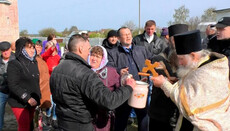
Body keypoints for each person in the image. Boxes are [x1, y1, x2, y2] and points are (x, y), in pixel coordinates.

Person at [49, 34, 136, 131]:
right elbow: (109, 101)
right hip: (81, 125)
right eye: (89, 49)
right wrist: (128, 87)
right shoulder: (85, 73)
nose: (89, 53)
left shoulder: (57, 69)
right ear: (81, 49)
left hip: (63, 123)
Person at [151, 30, 230, 130]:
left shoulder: (206, 72)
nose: (179, 63)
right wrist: (177, 83)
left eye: (181, 59)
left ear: (193, 55)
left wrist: (163, 84)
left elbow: (188, 105)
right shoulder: (204, 64)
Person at [108, 27, 152, 131]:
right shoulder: (113, 53)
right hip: (123, 91)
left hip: (140, 89)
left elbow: (151, 62)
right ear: (119, 38)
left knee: (144, 117)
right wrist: (119, 71)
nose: (128, 36)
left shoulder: (141, 50)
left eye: (129, 34)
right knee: (121, 119)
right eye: (124, 35)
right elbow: (109, 67)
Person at [7, 37, 41, 131]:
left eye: (32, 47)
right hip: (19, 102)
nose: (32, 50)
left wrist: (38, 97)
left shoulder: (34, 62)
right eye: (28, 48)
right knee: (24, 127)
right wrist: (27, 98)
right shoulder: (14, 64)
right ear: (21, 49)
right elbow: (13, 85)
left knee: (30, 126)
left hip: (33, 102)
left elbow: (35, 82)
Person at [88, 45, 120, 131]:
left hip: (104, 117)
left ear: (103, 59)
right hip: (87, 115)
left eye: (98, 56)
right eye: (92, 55)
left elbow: (119, 89)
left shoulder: (111, 72)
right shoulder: (84, 70)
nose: (94, 59)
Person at [32, 39, 52, 129]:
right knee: (35, 117)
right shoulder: (32, 59)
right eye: (37, 46)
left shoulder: (41, 58)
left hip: (44, 91)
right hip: (36, 91)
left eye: (40, 46)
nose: (39, 48)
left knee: (40, 115)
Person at [0, 41, 15, 131]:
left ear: (10, 49)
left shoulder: (16, 60)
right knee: (0, 112)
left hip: (15, 91)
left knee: (19, 113)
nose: (5, 52)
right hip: (2, 90)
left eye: (7, 50)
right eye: (3, 51)